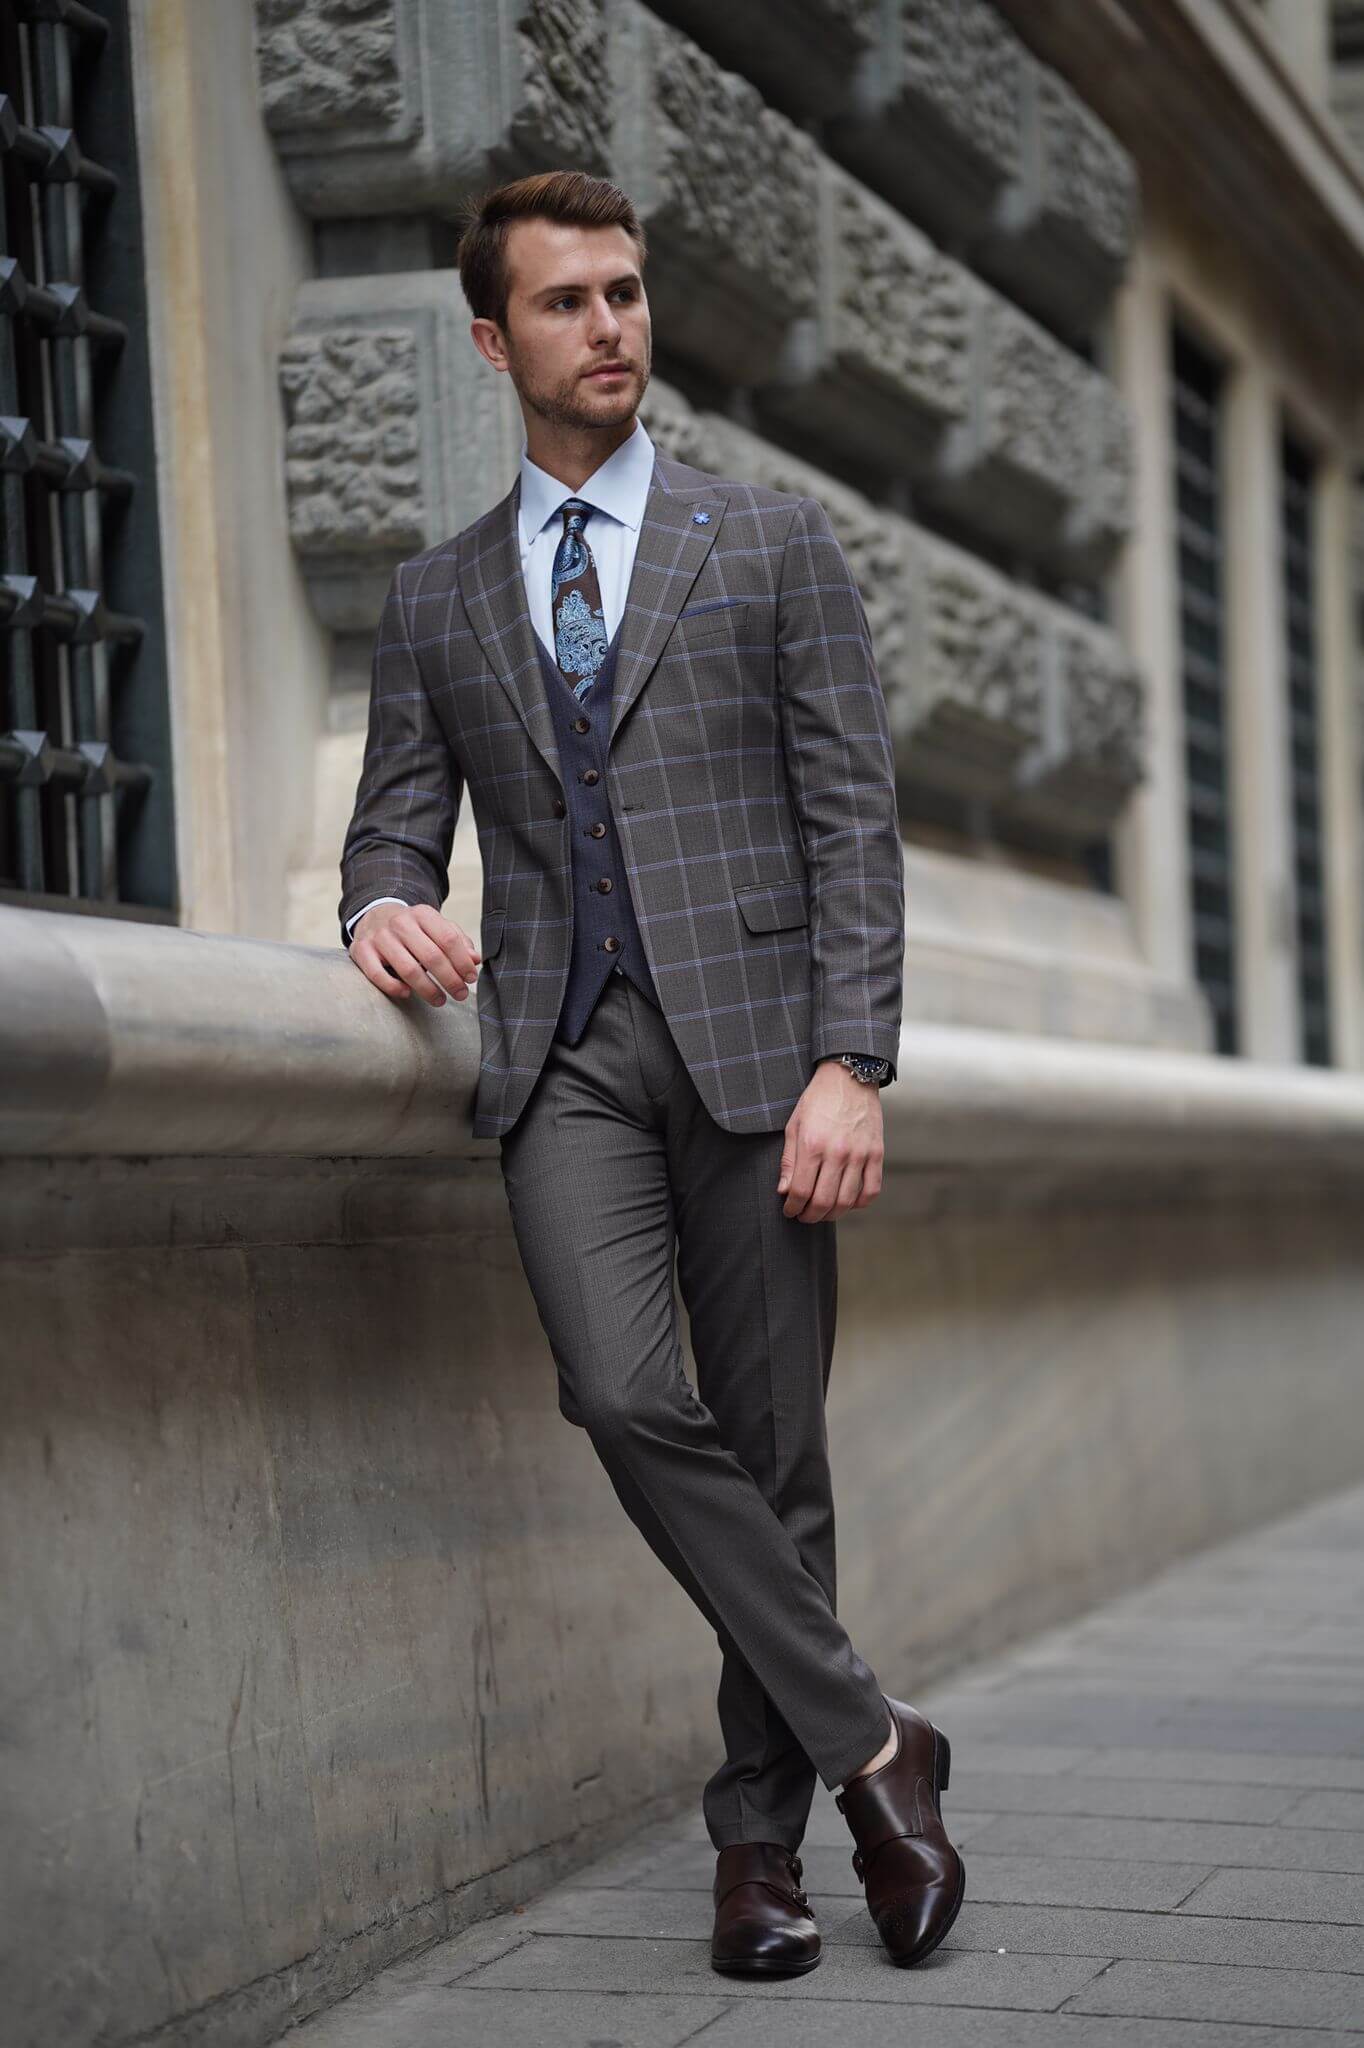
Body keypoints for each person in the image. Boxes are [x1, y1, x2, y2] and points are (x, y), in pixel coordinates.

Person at [338, 168, 965, 1975]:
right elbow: (395, 832)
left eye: (623, 292)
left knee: (777, 1458)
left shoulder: (763, 544)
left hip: (767, 1055)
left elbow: (856, 823)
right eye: (566, 302)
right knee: (623, 1394)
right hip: (567, 1059)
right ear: (491, 338)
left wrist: (856, 1063)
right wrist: (382, 909)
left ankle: (759, 1855)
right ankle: (879, 1746)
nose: (609, 325)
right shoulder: (436, 598)